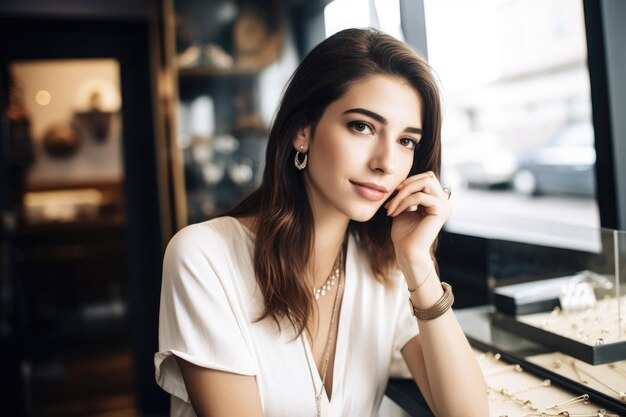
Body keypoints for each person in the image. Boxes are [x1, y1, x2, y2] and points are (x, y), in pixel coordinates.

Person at [154, 28, 489, 417]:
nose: (386, 162)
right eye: (362, 126)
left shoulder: (387, 270)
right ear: (302, 131)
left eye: (406, 141)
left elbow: (467, 414)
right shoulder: (203, 258)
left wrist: (418, 264)